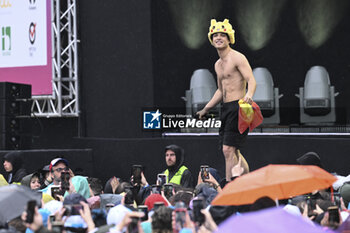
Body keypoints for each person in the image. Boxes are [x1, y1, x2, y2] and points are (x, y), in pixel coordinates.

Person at [197, 19, 256, 181]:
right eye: (215, 35)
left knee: (228, 150)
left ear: (229, 38)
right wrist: (206, 108)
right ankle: (247, 179)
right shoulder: (217, 64)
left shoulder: (237, 57)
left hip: (238, 107)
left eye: (222, 35)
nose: (218, 38)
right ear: (211, 39)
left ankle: (229, 184)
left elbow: (251, 80)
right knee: (233, 150)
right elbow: (220, 90)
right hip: (226, 108)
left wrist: (249, 94)